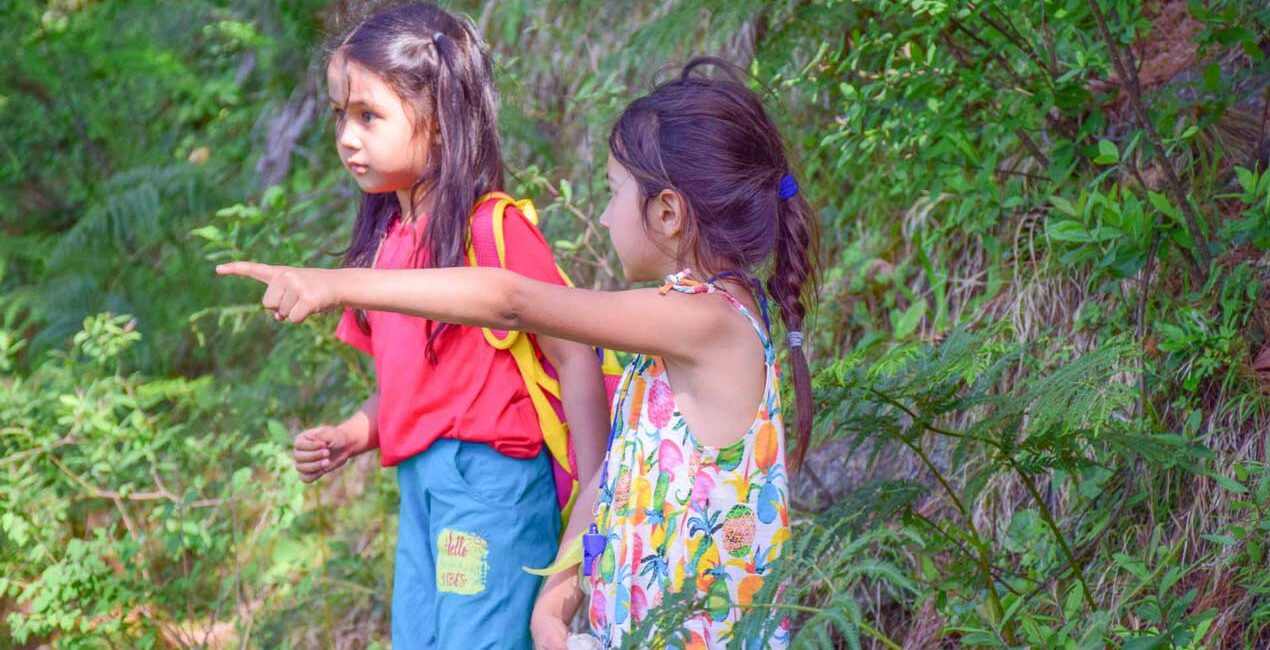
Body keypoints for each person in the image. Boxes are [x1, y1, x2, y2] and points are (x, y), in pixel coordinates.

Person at [219, 57, 815, 649]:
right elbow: (613, 479)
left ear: (666, 211)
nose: (605, 217)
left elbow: (510, 300)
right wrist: (557, 597)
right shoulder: (674, 330)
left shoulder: (711, 322)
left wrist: (334, 283)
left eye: (612, 195)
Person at [258, 3, 609, 648]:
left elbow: (575, 350)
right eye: (340, 115)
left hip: (488, 490)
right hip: (422, 488)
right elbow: (408, 390)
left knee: (478, 637)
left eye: (368, 114)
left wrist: (594, 488)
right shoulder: (388, 243)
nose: (346, 136)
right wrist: (350, 434)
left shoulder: (492, 229)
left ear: (443, 123)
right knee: (421, 637)